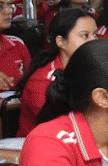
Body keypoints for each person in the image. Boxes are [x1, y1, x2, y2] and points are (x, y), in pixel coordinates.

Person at [16, 8, 97, 136]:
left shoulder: (92, 69)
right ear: (60, 41)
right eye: (84, 35)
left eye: (95, 34)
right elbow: (62, 127)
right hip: (45, 141)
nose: (93, 41)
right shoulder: (43, 80)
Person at [0, 0, 31, 92]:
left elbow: (31, 82)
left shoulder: (17, 44)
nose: (8, 11)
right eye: (0, 7)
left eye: (9, 6)